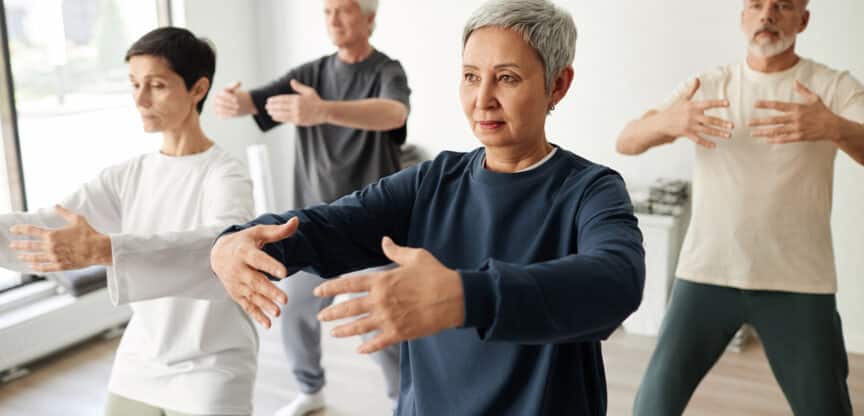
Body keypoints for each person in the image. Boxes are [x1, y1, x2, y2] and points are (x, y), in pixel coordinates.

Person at [210, 1, 645, 414]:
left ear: (558, 84)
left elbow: (618, 280)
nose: (483, 99)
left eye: (507, 78)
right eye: (471, 76)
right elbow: (332, 224)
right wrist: (239, 240)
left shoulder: (590, 190)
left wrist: (465, 296)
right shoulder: (433, 181)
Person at [616, 0, 864, 414]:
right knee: (653, 406)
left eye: (783, 5)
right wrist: (669, 123)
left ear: (803, 20)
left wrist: (833, 127)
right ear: (743, 17)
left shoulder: (832, 86)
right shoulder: (709, 85)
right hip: (707, 273)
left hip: (798, 280)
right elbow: (626, 141)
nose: (767, 14)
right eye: (756, 4)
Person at [0, 27, 257, 416]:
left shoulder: (225, 175)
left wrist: (107, 249)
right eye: (135, 84)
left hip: (212, 364)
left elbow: (218, 244)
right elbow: (48, 224)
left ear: (198, 89)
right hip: (141, 361)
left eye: (156, 85)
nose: (140, 99)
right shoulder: (126, 176)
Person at [212, 0, 409, 414]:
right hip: (315, 223)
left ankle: (402, 401)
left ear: (370, 18)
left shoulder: (386, 71)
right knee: (294, 308)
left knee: (380, 325)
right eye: (327, 11)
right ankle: (310, 389)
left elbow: (394, 113)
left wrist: (323, 110)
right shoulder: (309, 75)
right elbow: (254, 101)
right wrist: (232, 100)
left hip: (375, 227)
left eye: (344, 10)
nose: (333, 19)